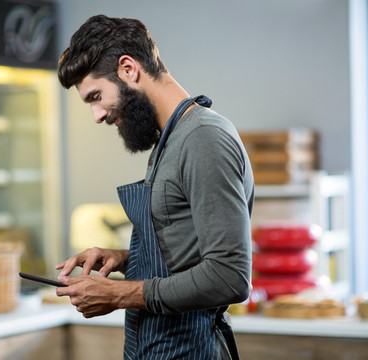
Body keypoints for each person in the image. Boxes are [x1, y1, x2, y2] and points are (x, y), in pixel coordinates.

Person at [55, 14, 254, 360]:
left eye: (96, 96)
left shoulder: (203, 138)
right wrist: (123, 261)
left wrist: (119, 294)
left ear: (128, 69)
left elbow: (229, 276)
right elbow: (187, 255)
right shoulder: (172, 139)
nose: (97, 115)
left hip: (192, 348)